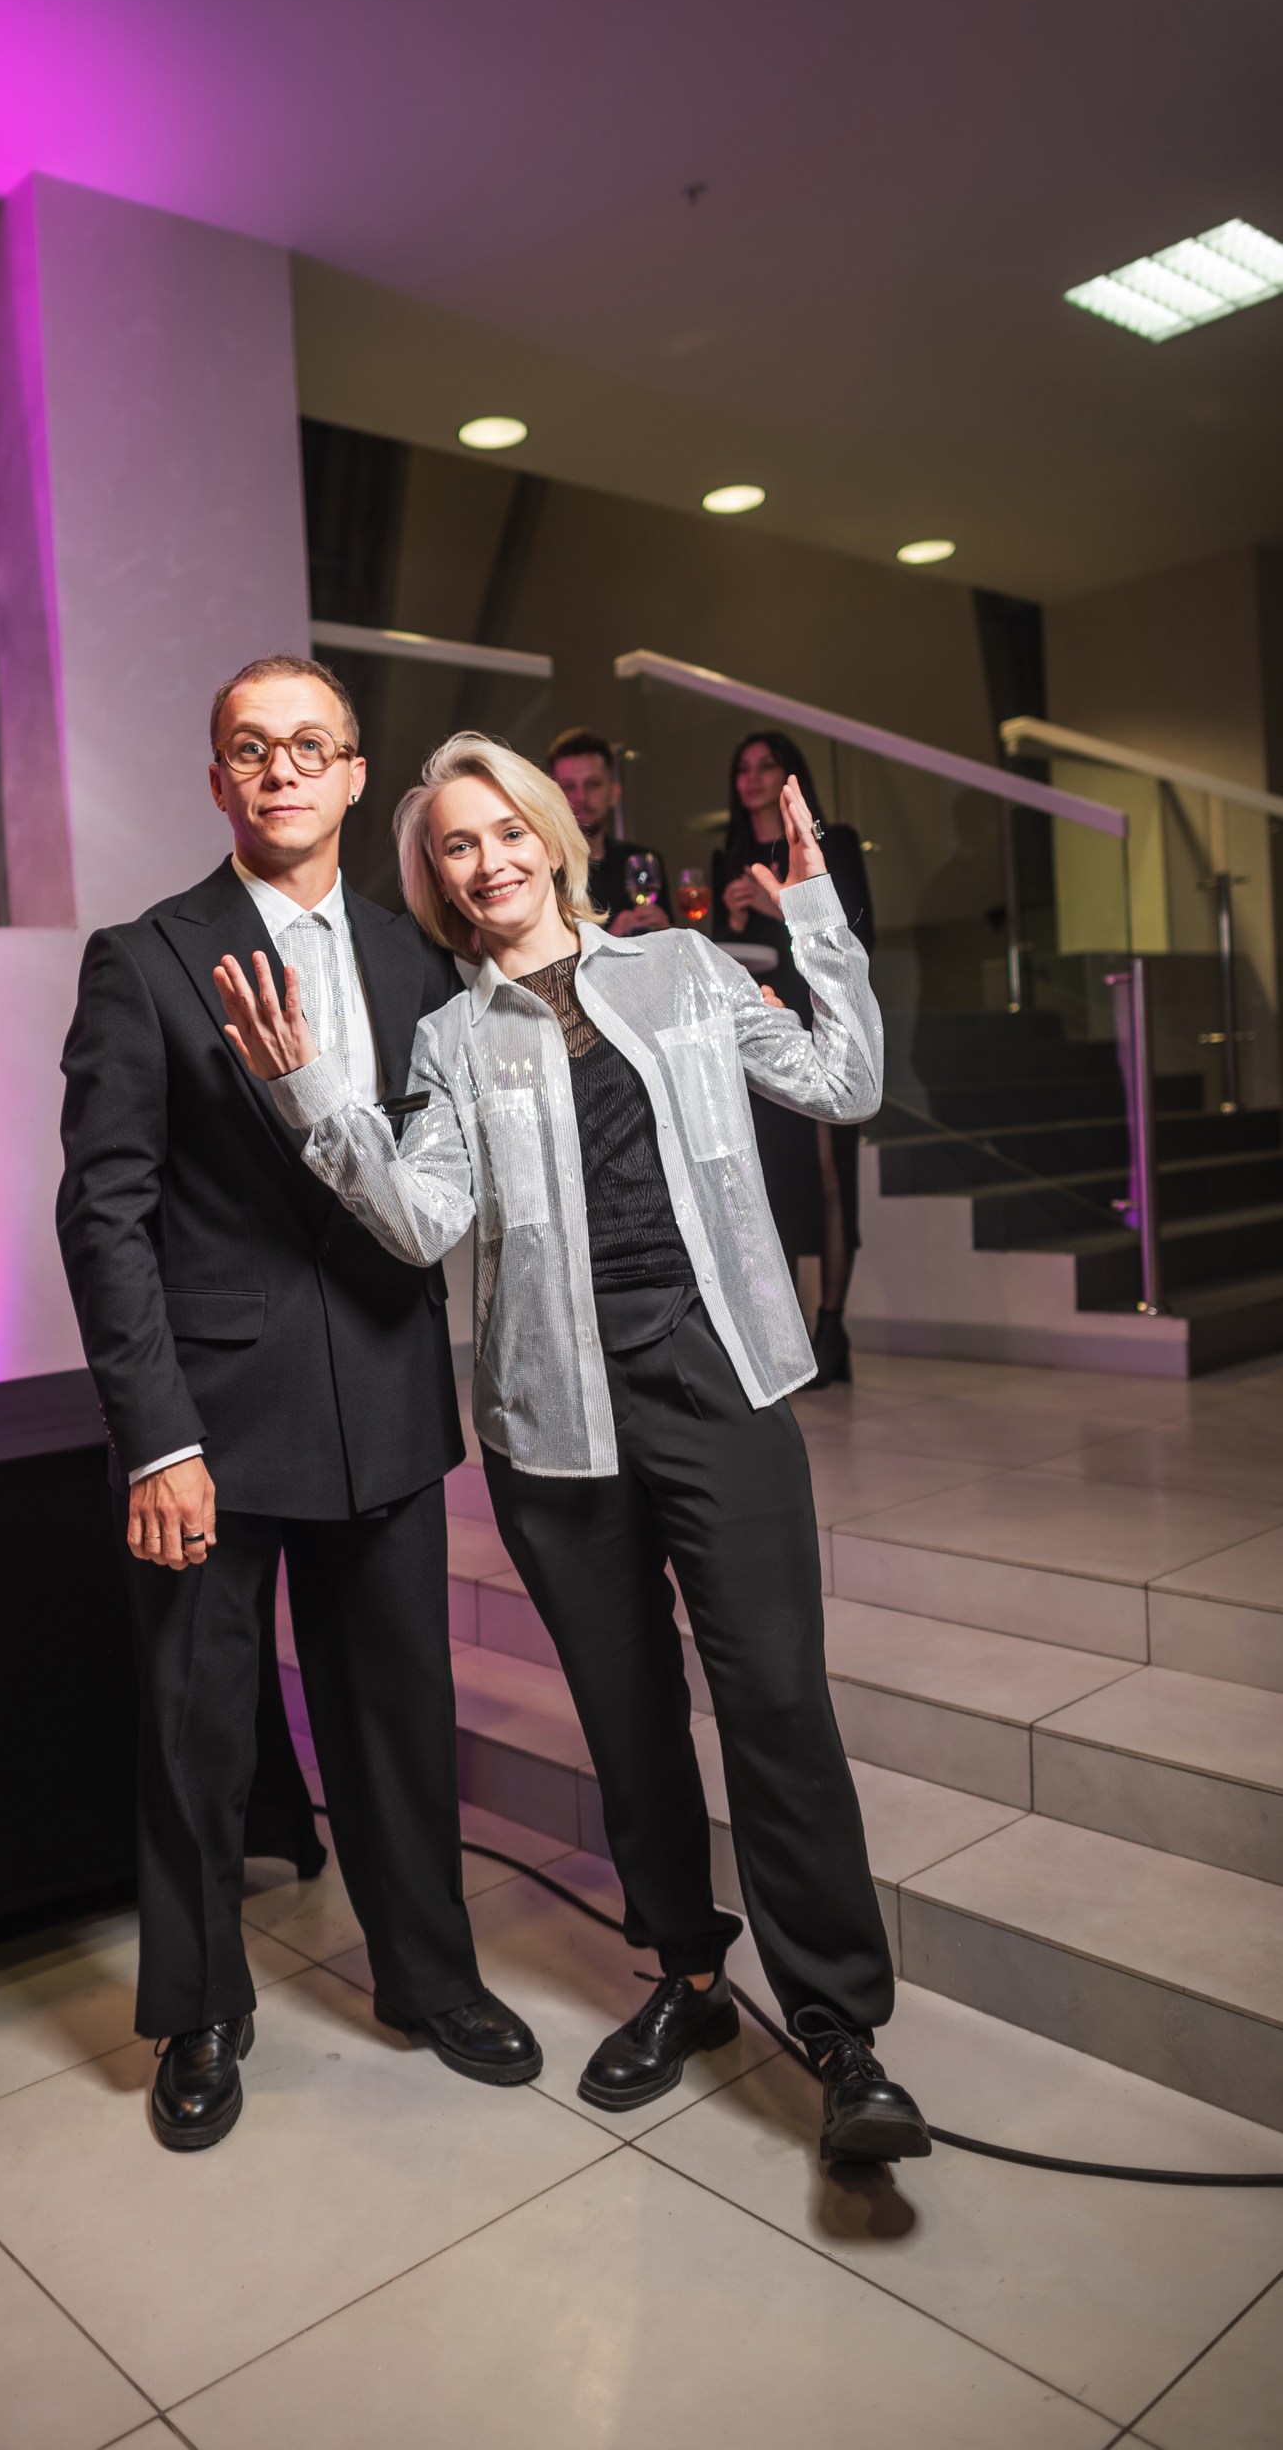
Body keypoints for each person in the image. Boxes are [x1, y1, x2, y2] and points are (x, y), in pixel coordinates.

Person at [216, 732, 928, 2169]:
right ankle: (686, 1974)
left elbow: (844, 1079)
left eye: (503, 831)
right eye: (454, 847)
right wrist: (314, 1102)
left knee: (775, 1703)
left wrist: (813, 914)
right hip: (554, 1420)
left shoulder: (681, 971)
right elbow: (420, 1222)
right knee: (626, 1716)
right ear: (435, 879)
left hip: (716, 1383)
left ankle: (840, 2032)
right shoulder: (447, 1040)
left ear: (550, 835)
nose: (485, 863)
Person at [57, 660, 540, 2152]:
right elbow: (105, 1216)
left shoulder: (417, 962)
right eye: (251, 750)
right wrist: (156, 1436)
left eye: (309, 747)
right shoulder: (143, 958)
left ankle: (430, 1976)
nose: (281, 771)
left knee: (398, 1716)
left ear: (351, 774)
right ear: (218, 781)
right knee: (197, 1732)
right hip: (209, 1426)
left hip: (385, 1398)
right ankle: (199, 2009)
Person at [716, 730, 876, 1388]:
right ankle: (785, 1338)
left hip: (823, 1015)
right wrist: (731, 923)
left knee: (832, 1177)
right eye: (743, 767)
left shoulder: (832, 840)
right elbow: (721, 956)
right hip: (764, 1024)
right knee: (774, 1181)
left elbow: (856, 934)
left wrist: (780, 906)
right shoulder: (727, 854)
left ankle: (831, 1326)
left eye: (767, 766)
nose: (752, 777)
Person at [547, 728, 671, 937]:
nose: (581, 797)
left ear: (614, 793)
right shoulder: (545, 870)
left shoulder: (642, 861)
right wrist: (612, 941)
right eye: (568, 786)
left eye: (593, 784)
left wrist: (665, 933)